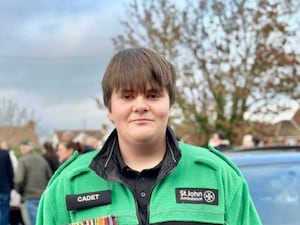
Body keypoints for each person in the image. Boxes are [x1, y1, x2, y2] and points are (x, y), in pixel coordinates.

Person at [37, 48, 262, 225]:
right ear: (109, 109)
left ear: (169, 104)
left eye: (153, 95)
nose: (140, 106)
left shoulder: (217, 175)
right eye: (127, 96)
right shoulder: (69, 185)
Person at [15, 140, 52, 225]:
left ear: (23, 148)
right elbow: (50, 176)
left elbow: (18, 180)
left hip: (29, 196)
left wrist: (20, 192)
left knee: (33, 222)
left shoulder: (23, 160)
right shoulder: (41, 159)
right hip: (43, 196)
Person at [0, 147, 14, 225]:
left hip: (5, 187)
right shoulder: (5, 154)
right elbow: (10, 171)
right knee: (5, 210)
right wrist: (13, 187)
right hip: (5, 188)